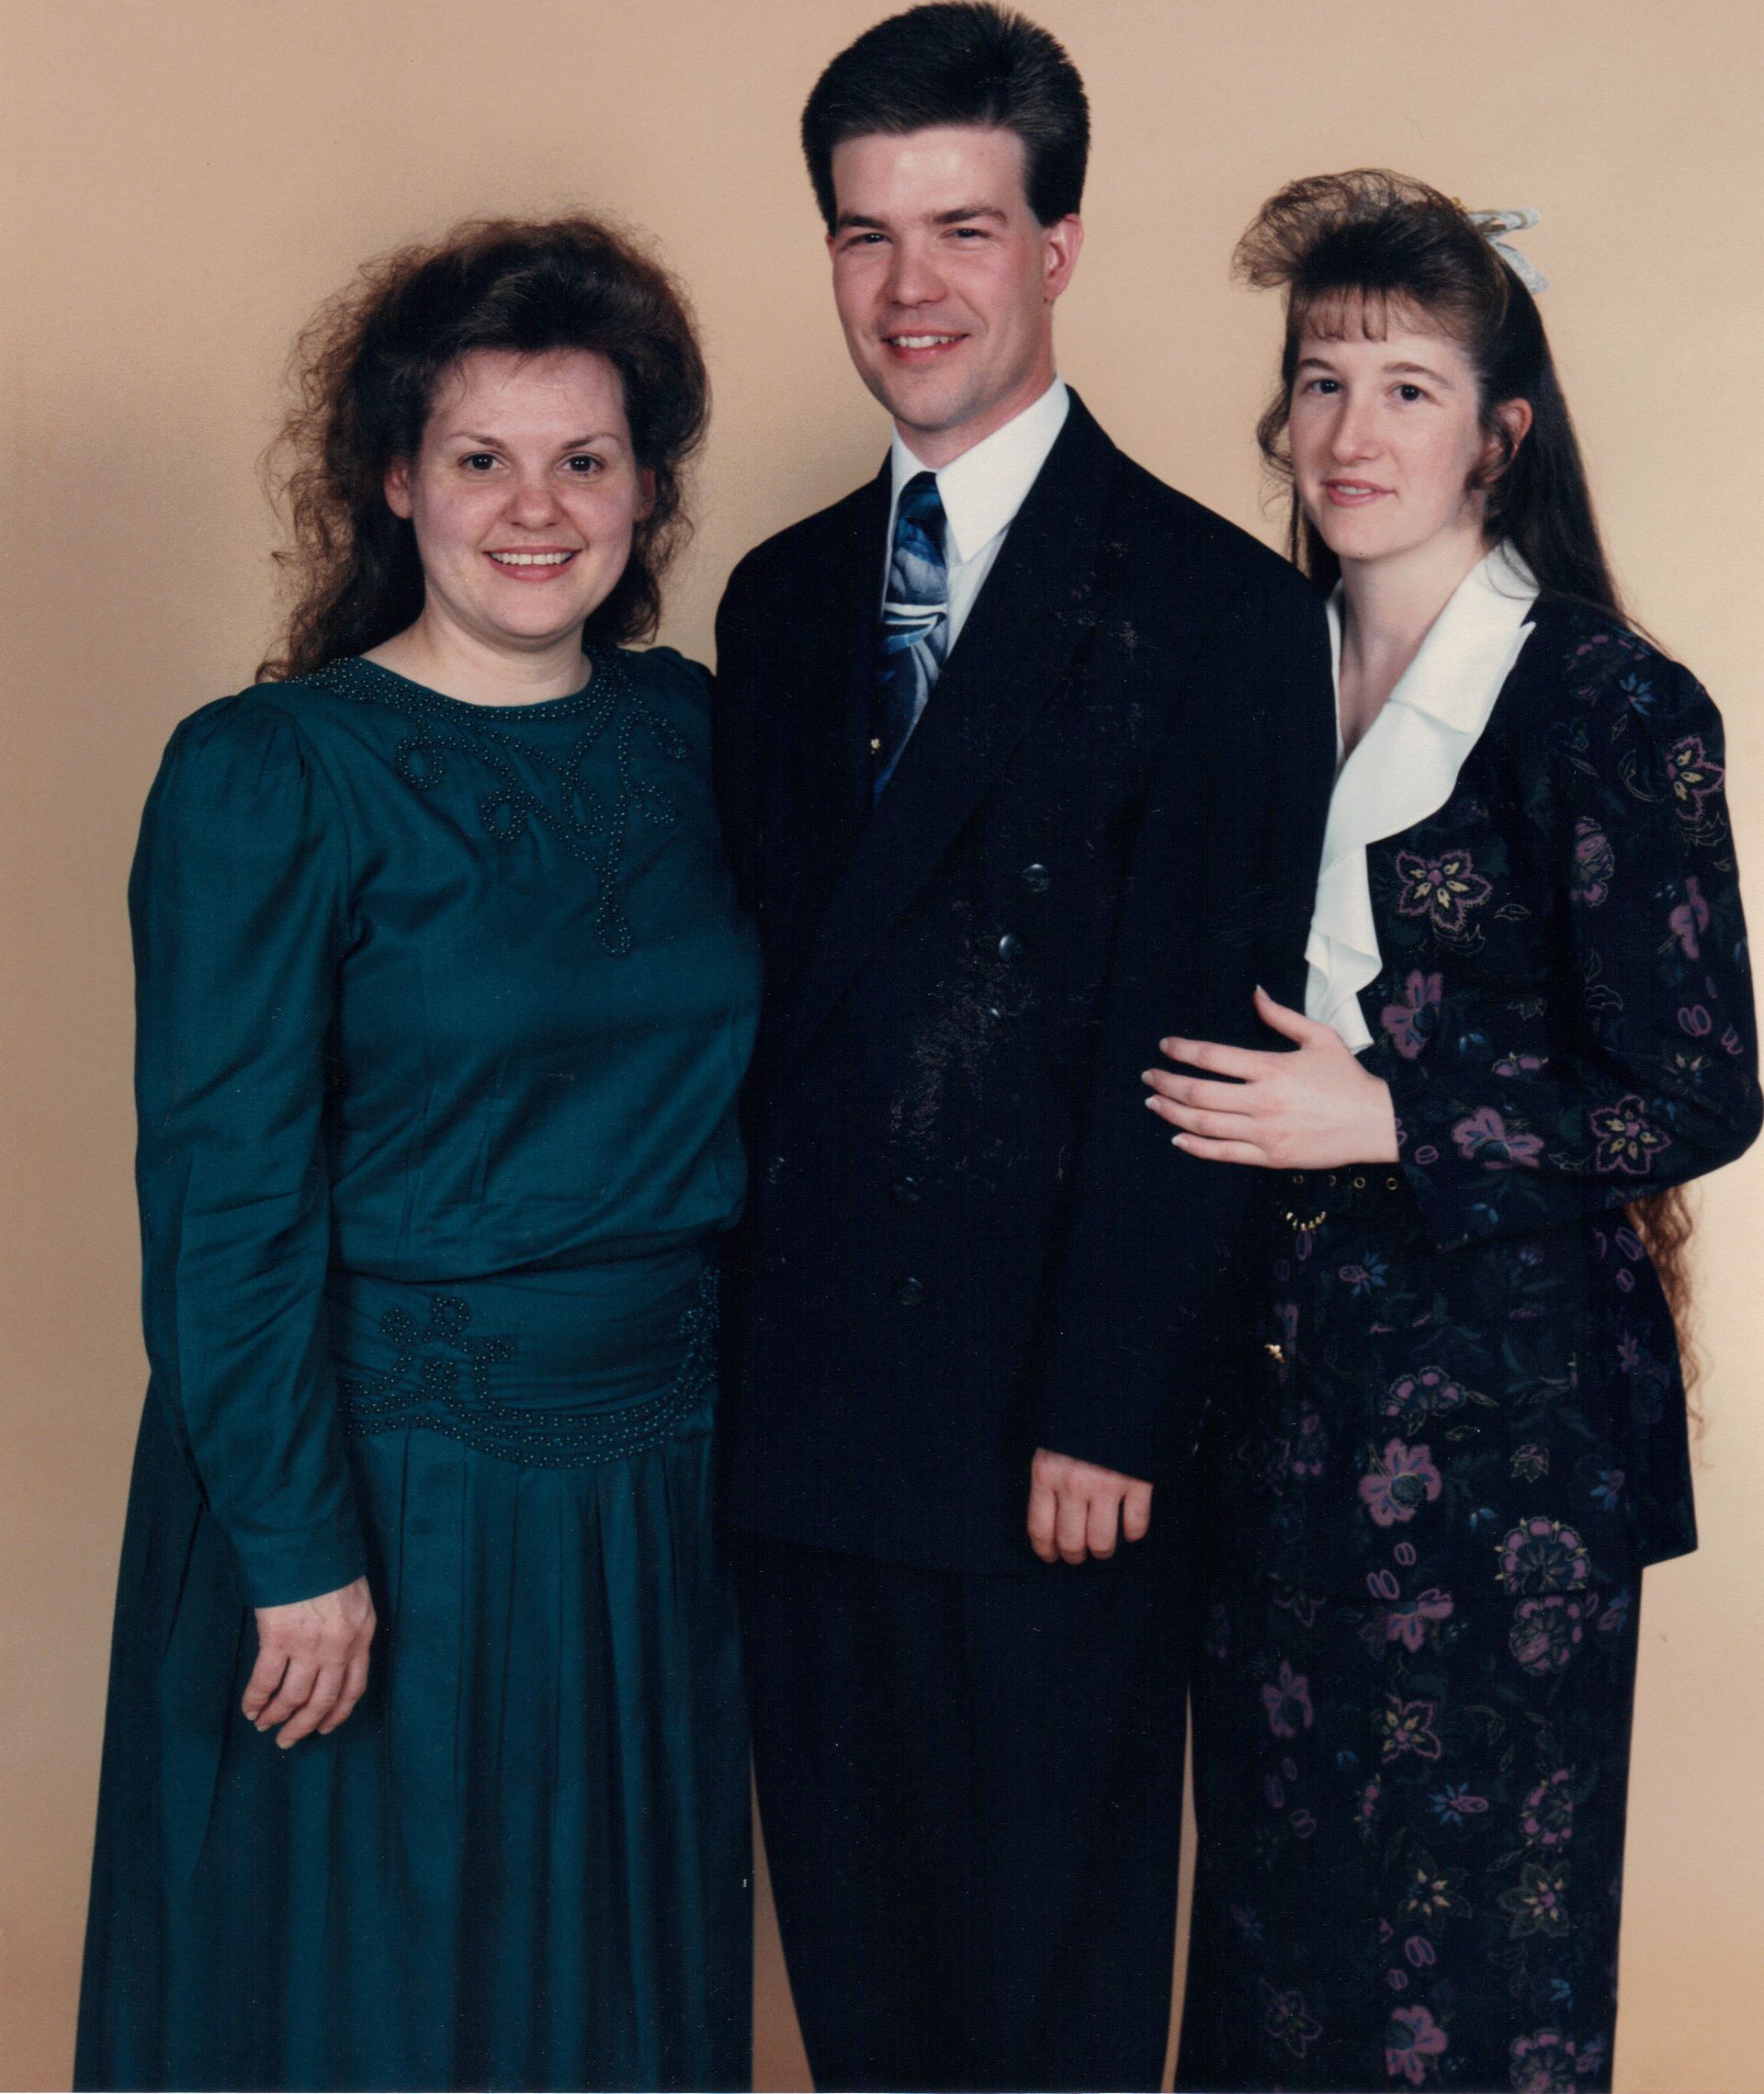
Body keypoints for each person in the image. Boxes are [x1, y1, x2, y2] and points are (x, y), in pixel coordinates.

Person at [712, 6, 1334, 2087]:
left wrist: (1117, 1411)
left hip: (1049, 1447)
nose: (911, 290)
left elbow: (1208, 1051)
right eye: (866, 234)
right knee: (864, 2004)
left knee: (1048, 2009)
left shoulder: (1221, 611)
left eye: (963, 227)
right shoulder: (781, 602)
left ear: (1059, 241)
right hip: (803, 1433)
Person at [74, 217, 759, 2093]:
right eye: (482, 457)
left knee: (615, 2002)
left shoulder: (701, 734)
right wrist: (298, 1550)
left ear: (646, 488)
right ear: (394, 479)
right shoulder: (270, 773)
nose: (537, 508)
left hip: (655, 1502)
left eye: (586, 459)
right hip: (382, 1495)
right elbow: (224, 1197)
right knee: (372, 2001)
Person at [1144, 171, 1761, 2092]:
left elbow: (1701, 1086)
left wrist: (1386, 1113)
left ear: (1504, 428)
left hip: (1505, 1463)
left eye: (1407, 386)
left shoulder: (1605, 700)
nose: (1350, 432)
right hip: (1272, 1417)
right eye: (1320, 382)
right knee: (1273, 1941)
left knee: (1463, 1979)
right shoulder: (1249, 674)